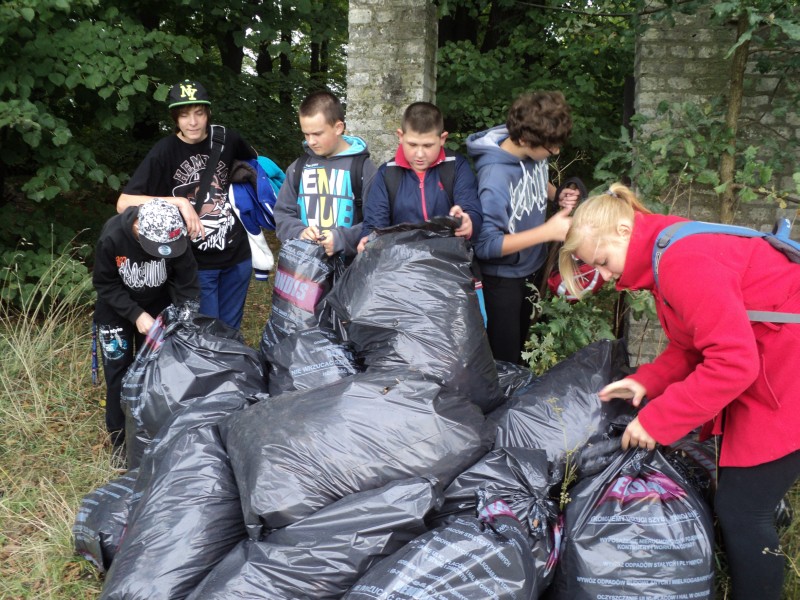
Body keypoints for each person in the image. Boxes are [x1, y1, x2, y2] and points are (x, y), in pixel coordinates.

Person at [558, 182, 800, 600]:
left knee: (745, 511)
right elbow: (693, 344)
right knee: (742, 503)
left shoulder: (682, 262)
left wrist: (658, 419)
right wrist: (647, 381)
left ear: (621, 230)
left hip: (787, 374)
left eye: (604, 262)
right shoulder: (665, 249)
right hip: (775, 365)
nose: (608, 275)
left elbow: (734, 362)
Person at [117, 79, 256, 329]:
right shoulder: (165, 151)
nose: (192, 122)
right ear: (175, 118)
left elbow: (257, 168)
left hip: (238, 255)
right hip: (196, 262)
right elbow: (124, 203)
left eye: (199, 113)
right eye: (184, 115)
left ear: (208, 113)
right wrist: (179, 201)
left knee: (231, 332)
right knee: (206, 335)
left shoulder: (226, 139)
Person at [466, 91, 579, 364]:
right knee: (506, 362)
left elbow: (534, 177)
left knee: (523, 350)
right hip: (502, 282)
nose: (556, 152)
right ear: (526, 140)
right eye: (551, 149)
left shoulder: (533, 143)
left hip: (529, 269)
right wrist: (547, 233)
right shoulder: (494, 177)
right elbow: (485, 246)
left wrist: (556, 195)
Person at [93, 199, 199, 464]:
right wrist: (136, 314)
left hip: (157, 307)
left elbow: (187, 280)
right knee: (118, 372)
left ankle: (150, 431)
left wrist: (184, 317)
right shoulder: (113, 234)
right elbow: (104, 283)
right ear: (138, 228)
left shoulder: (176, 233)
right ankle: (119, 440)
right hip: (116, 310)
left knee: (155, 370)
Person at [358, 101, 482, 247]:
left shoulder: (456, 165)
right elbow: (374, 225)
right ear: (400, 136)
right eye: (412, 145)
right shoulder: (387, 173)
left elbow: (472, 210)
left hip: (448, 259)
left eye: (428, 146)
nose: (420, 154)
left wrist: (468, 222)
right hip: (400, 263)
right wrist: (367, 240)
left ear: (442, 139)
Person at [274, 89, 377, 258]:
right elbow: (282, 214)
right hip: (305, 270)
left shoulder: (364, 169)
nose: (311, 141)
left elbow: (375, 223)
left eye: (317, 134)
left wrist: (341, 239)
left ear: (338, 127)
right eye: (306, 134)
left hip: (350, 272)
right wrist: (299, 232)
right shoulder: (298, 167)